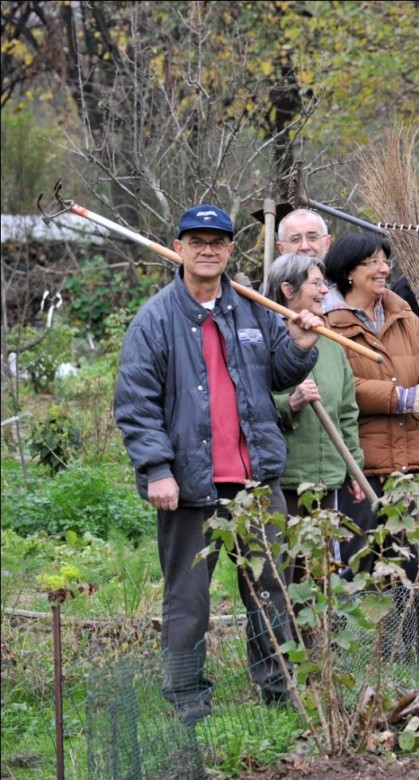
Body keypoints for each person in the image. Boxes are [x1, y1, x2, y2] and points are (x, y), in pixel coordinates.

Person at [114, 205, 323, 722]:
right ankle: (188, 702)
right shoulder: (155, 319)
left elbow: (278, 373)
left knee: (271, 591)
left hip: (255, 482)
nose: (208, 249)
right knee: (189, 601)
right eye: (197, 240)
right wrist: (157, 469)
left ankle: (279, 691)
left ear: (230, 250)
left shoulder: (251, 309)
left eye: (218, 241)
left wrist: (299, 345)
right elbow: (135, 403)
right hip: (188, 485)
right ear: (180, 247)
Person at [322, 233, 419, 578]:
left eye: (385, 261)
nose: (383, 269)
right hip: (362, 467)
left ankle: (410, 634)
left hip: (412, 463)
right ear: (348, 271)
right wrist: (402, 398)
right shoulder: (329, 324)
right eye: (373, 263)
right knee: (360, 562)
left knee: (410, 566)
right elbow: (341, 387)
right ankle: (363, 634)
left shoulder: (407, 318)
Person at [262, 253, 365, 555]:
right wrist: (289, 404)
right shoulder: (265, 339)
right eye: (316, 284)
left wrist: (353, 469)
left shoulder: (331, 342)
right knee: (287, 568)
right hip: (285, 481)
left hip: (327, 481)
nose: (324, 291)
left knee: (323, 573)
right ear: (288, 290)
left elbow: (347, 412)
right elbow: (250, 403)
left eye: (325, 284)